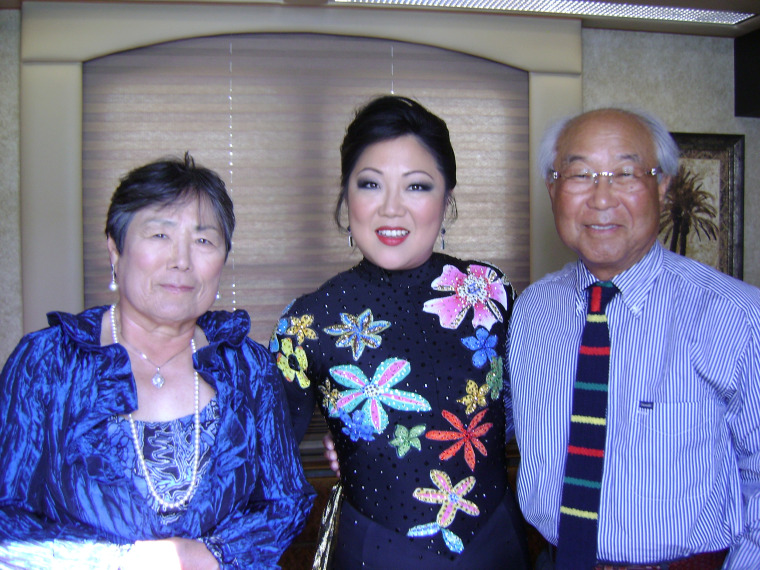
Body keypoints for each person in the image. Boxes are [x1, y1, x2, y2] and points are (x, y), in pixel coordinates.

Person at [0, 153, 314, 569]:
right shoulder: (47, 362)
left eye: (204, 240)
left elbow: (285, 501)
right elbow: (7, 516)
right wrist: (123, 561)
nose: (181, 260)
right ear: (116, 248)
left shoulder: (248, 367)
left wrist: (209, 555)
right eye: (159, 235)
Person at [270, 95, 529, 568]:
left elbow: (531, 413)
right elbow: (260, 463)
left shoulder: (488, 292)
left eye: (416, 187)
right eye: (370, 184)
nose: (392, 209)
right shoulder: (309, 322)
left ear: (447, 199)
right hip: (375, 550)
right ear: (346, 197)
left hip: (497, 544)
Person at [509, 108, 760, 568]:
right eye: (580, 174)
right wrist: (363, 440)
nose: (601, 199)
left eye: (625, 173)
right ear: (553, 187)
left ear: (662, 185)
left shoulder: (739, 316)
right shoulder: (530, 312)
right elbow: (479, 422)